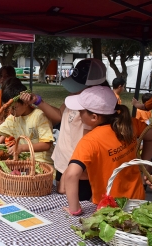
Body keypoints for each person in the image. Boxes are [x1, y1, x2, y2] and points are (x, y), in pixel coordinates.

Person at [61, 85, 152, 216]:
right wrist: (144, 166)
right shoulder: (131, 123)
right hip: (137, 200)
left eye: (80, 112)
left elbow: (71, 174)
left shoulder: (90, 140)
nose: (79, 114)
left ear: (94, 117)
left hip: (108, 208)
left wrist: (75, 209)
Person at [31, 58, 108, 201]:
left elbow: (88, 146)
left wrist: (70, 172)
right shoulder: (74, 97)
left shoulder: (92, 108)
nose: (74, 90)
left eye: (79, 86)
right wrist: (39, 102)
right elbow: (61, 116)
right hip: (63, 163)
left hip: (78, 171)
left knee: (75, 209)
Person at [0, 77, 54, 164]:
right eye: (9, 108)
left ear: (26, 103)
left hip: (43, 163)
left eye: (14, 108)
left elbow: (46, 145)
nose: (11, 112)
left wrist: (21, 148)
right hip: (24, 162)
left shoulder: (39, 116)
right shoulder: (13, 118)